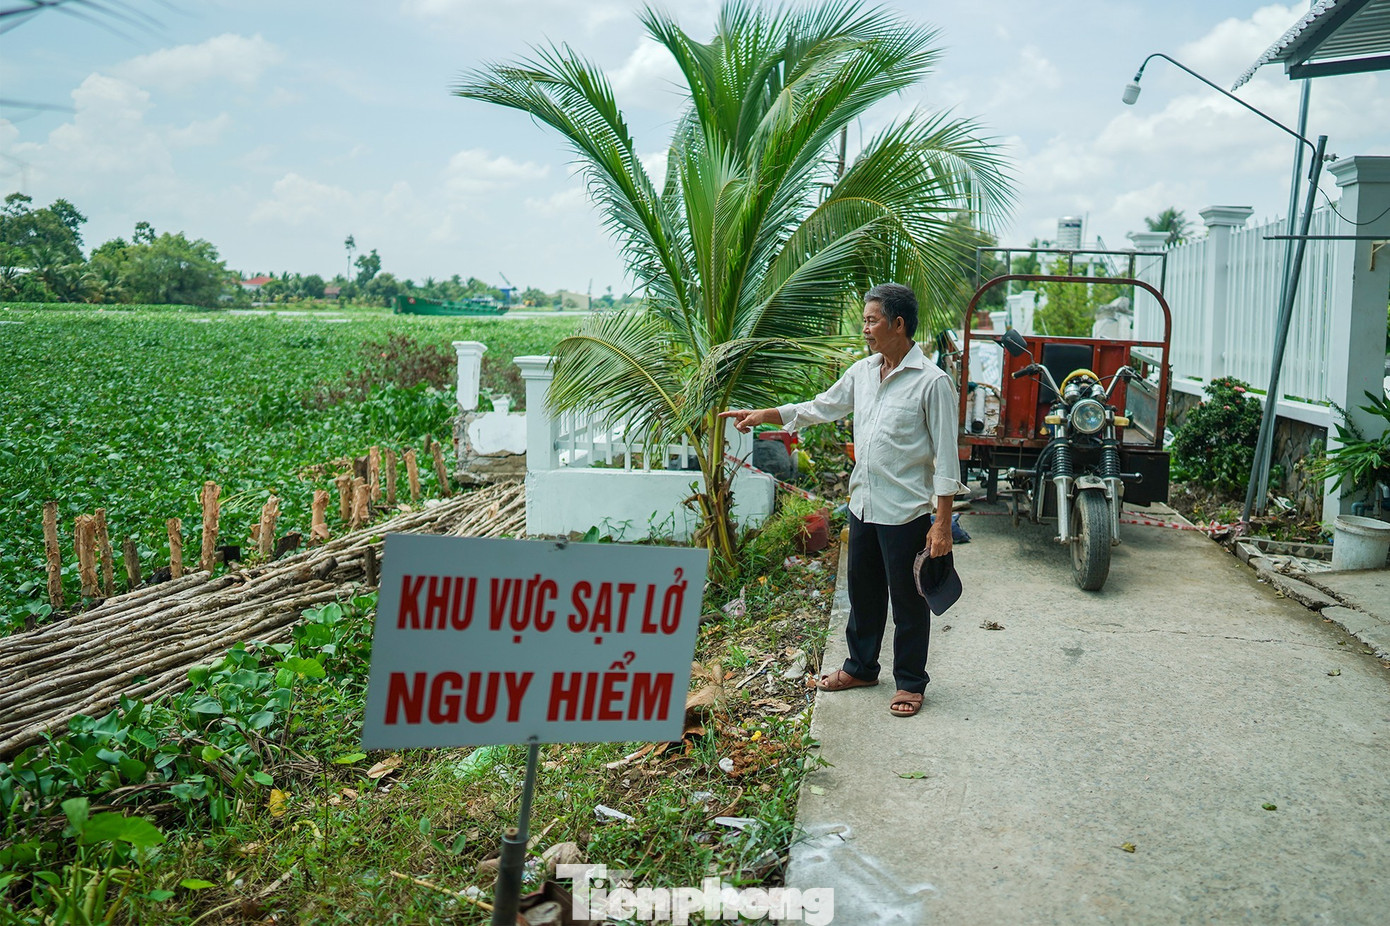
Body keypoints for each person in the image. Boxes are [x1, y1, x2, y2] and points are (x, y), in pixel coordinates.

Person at [720, 283, 965, 718]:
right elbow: (821, 407)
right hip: (864, 505)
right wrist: (764, 415)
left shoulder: (932, 383)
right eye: (865, 320)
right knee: (864, 594)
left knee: (909, 602)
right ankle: (861, 667)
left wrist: (941, 524)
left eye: (872, 320)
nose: (865, 329)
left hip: (906, 512)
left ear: (898, 324)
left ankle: (910, 682)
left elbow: (946, 459)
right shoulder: (863, 373)